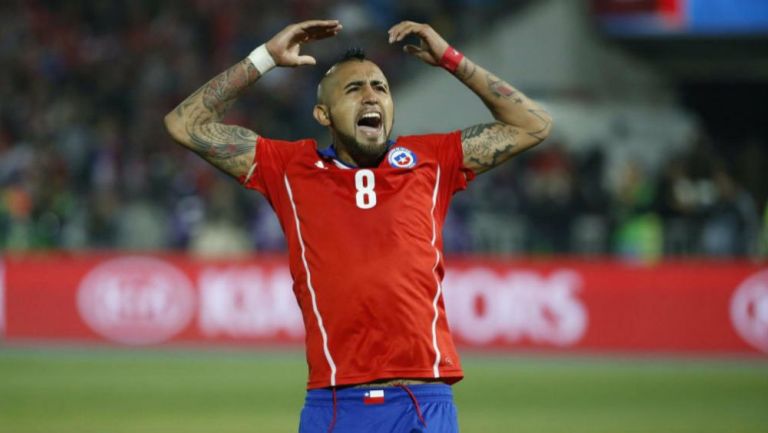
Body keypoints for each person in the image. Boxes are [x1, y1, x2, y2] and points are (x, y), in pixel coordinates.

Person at [165, 19, 551, 433]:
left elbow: (533, 125)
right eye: (354, 89)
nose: (371, 96)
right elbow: (184, 125)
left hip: (422, 400)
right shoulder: (289, 168)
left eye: (380, 88)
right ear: (322, 114)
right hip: (334, 404)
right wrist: (264, 59)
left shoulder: (432, 159)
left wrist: (450, 59)